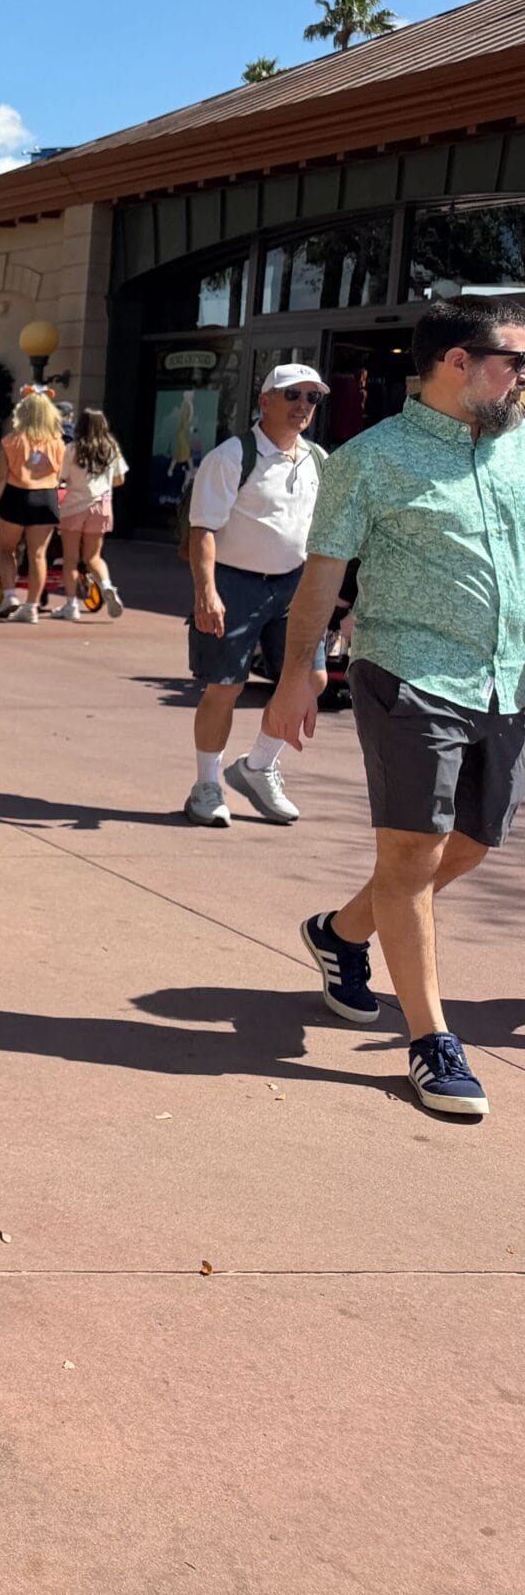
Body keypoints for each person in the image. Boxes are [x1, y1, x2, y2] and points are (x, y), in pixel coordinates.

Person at [266, 302, 525, 1118]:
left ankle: (340, 934)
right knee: (414, 854)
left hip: (506, 680)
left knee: (473, 846)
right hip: (408, 673)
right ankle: (431, 1041)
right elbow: (321, 577)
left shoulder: (519, 447)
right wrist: (296, 673)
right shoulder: (369, 460)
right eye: (516, 361)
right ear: (457, 360)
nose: (524, 377)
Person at [182, 364, 327, 826]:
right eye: (292, 395)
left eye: (312, 398)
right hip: (235, 583)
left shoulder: (318, 459)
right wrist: (207, 592)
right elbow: (203, 528)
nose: (303, 405)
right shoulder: (232, 456)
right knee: (226, 685)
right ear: (265, 400)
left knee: (312, 681)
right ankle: (207, 786)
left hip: (295, 585)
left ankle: (258, 766)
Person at [0, 390, 66, 622]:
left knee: (7, 549)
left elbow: (1, 477)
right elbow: (61, 476)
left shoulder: (10, 441)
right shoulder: (58, 443)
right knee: (38, 554)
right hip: (46, 498)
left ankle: (10, 595)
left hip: (16, 495)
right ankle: (32, 606)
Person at [54, 409, 128, 618]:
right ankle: (106, 586)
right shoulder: (111, 448)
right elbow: (120, 480)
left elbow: (62, 480)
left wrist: (58, 502)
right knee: (93, 557)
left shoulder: (71, 449)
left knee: (70, 559)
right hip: (101, 506)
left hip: (74, 506)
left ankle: (71, 606)